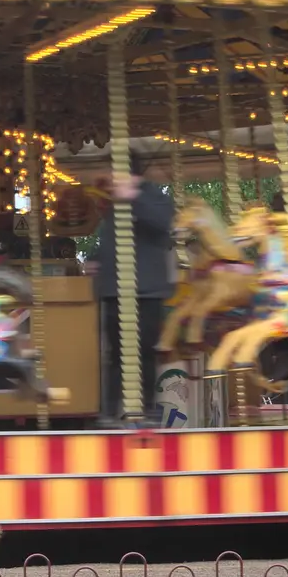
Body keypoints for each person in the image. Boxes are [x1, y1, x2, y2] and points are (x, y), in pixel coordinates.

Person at [96, 157, 176, 424]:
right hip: (115, 288)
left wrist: (134, 198)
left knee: (145, 352)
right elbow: (110, 239)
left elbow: (162, 224)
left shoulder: (154, 197)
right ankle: (108, 411)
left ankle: (150, 409)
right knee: (115, 354)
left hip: (146, 289)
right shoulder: (114, 204)